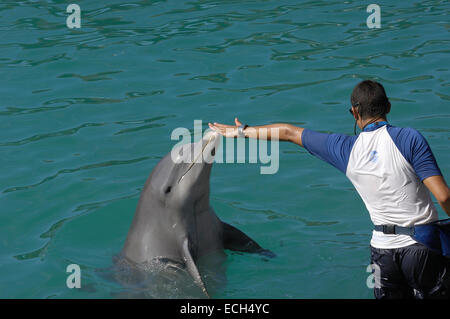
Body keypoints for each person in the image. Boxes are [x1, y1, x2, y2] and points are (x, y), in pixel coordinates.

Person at [208, 80, 450, 299]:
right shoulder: (410, 139)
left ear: (354, 112)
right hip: (422, 246)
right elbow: (444, 196)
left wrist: (241, 131)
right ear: (388, 106)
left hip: (382, 252)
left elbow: (289, 133)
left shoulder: (344, 148)